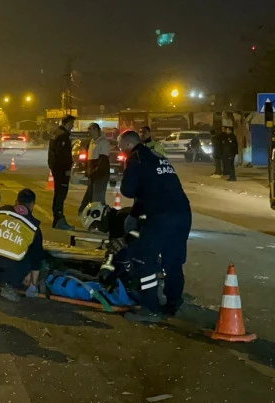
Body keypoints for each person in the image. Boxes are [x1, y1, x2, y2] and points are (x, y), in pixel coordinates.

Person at [113, 129, 192, 324]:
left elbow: (128, 191)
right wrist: (134, 215)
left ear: (128, 145)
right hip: (182, 213)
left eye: (122, 147)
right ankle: (173, 304)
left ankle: (150, 307)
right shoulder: (158, 157)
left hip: (161, 217)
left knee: (143, 260)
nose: (121, 151)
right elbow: (151, 190)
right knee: (173, 261)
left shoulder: (136, 159)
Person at [0, 189, 45, 301]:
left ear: (16, 202)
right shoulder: (33, 227)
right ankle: (9, 286)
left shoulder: (2, 211)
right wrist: (33, 285)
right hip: (8, 269)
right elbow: (36, 262)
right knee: (29, 257)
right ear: (32, 205)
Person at [47, 115, 76, 229]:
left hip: (56, 167)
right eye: (72, 124)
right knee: (61, 194)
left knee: (58, 193)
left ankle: (57, 219)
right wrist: (67, 169)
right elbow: (63, 155)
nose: (72, 126)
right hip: (61, 169)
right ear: (67, 123)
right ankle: (59, 219)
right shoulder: (63, 135)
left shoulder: (56, 133)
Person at [78, 123, 110, 211]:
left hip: (100, 175)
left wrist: (93, 172)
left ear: (96, 130)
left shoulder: (103, 142)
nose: (89, 132)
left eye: (90, 129)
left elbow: (103, 162)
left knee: (97, 199)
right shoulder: (91, 142)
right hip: (92, 175)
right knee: (90, 197)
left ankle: (100, 216)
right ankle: (86, 213)